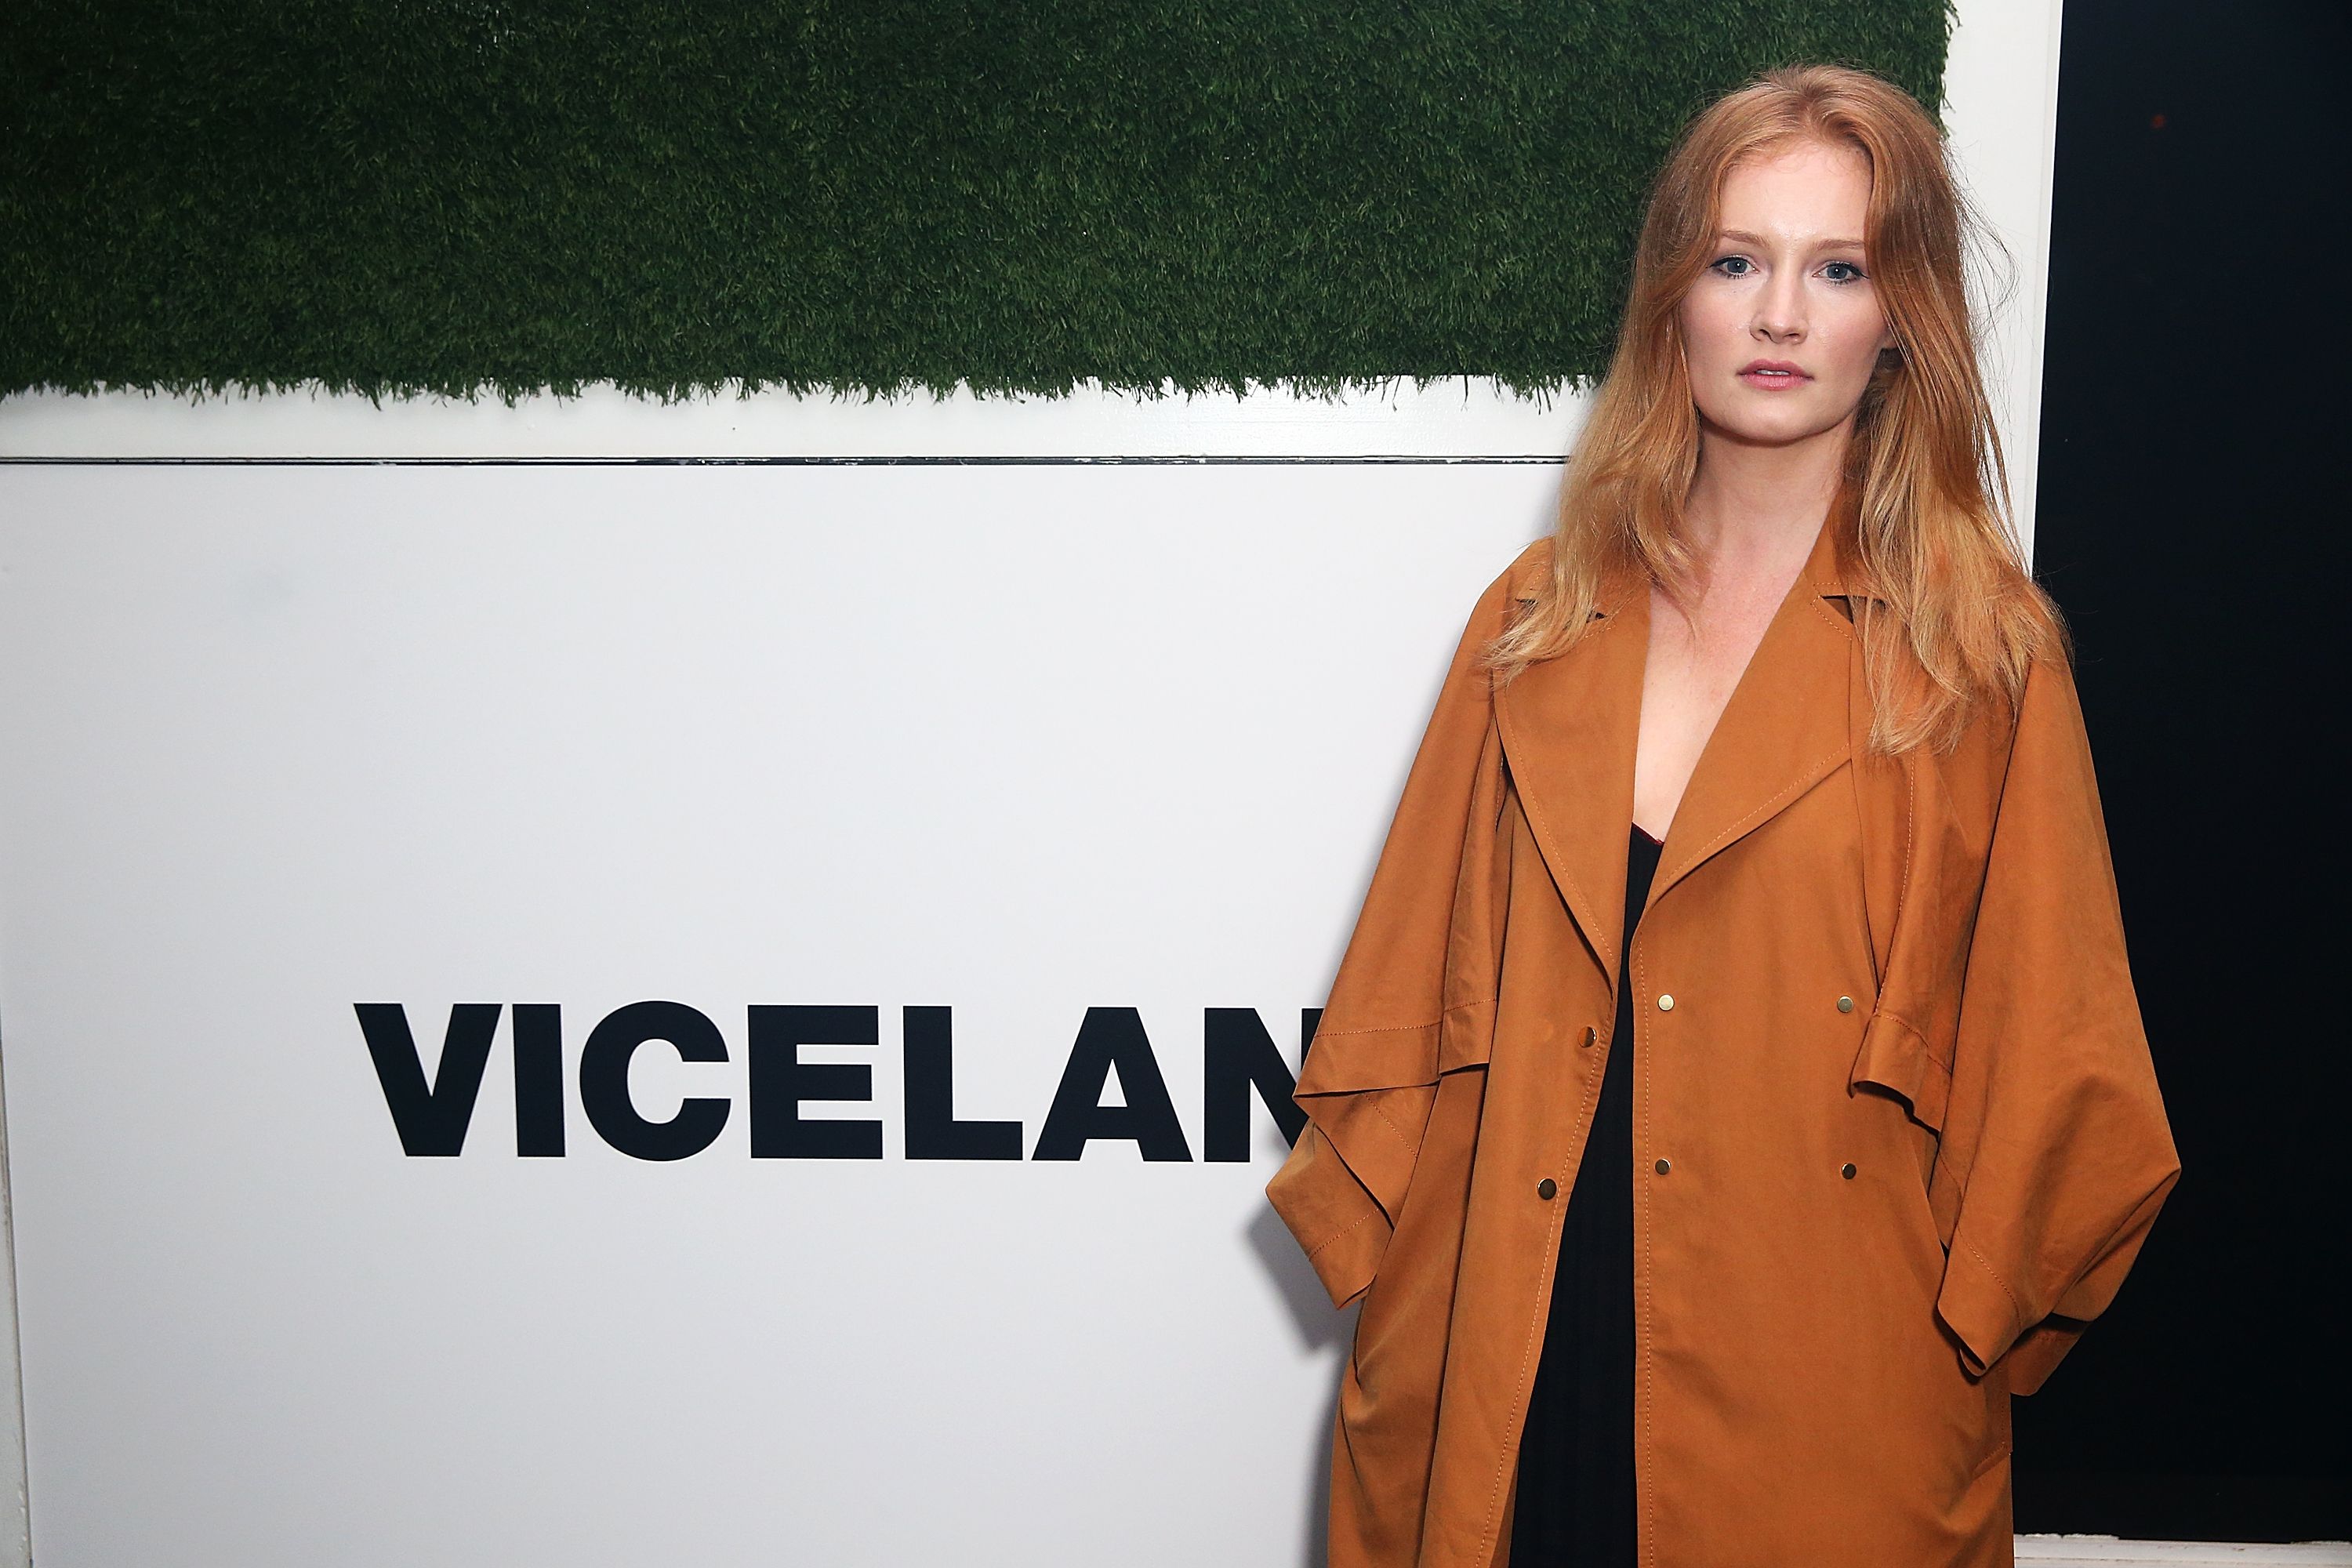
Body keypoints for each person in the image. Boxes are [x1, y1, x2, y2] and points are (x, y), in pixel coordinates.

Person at [1265, 64, 2180, 1568]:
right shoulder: (1535, 618)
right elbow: (1396, 1026)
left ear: (1902, 321)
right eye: (1736, 260)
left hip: (1822, 1393)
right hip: (1516, 1344)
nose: (1777, 316)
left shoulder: (1980, 655)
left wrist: (1937, 1359)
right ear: (1671, 296)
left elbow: (2067, 1084)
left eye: (1839, 269)